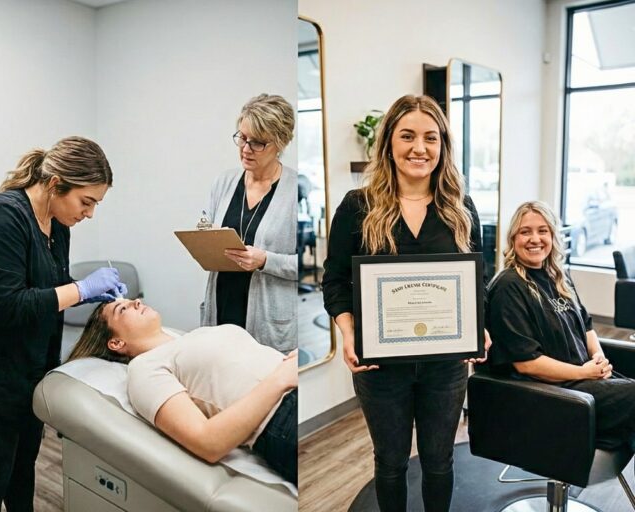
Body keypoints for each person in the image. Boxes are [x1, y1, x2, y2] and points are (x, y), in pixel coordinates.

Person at [321, 94, 486, 512]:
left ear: (443, 145)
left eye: (431, 138)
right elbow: (335, 280)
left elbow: (476, 281)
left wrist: (478, 325)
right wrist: (348, 331)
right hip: (380, 367)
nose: (419, 148)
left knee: (438, 461)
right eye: (407, 136)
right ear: (389, 143)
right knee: (390, 463)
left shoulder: (461, 209)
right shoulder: (358, 207)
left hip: (445, 365)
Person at [0, 136, 126, 511]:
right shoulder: (0, 217)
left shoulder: (57, 224)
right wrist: (81, 289)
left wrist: (83, 293)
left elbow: (47, 295)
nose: (90, 213)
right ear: (54, 183)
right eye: (87, 201)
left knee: (22, 474)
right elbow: (9, 305)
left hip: (30, 376)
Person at [68, 299, 297, 484]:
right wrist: (280, 380)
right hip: (280, 415)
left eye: (132, 301)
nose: (136, 302)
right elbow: (207, 442)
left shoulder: (189, 337)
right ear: (116, 343)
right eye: (123, 309)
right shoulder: (145, 368)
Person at [486, 201, 635, 450]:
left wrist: (598, 359)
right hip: (552, 397)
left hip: (585, 385)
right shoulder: (508, 287)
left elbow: (586, 326)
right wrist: (584, 373)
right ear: (513, 239)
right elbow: (526, 363)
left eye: (543, 230)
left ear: (553, 236)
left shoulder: (557, 276)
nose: (535, 239)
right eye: (525, 232)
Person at [202, 93, 297, 352]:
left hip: (267, 319)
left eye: (257, 143)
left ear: (280, 143)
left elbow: (314, 266)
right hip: (222, 305)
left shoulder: (295, 190)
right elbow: (206, 226)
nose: (245, 149)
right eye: (242, 138)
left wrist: (265, 260)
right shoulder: (224, 182)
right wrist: (202, 238)